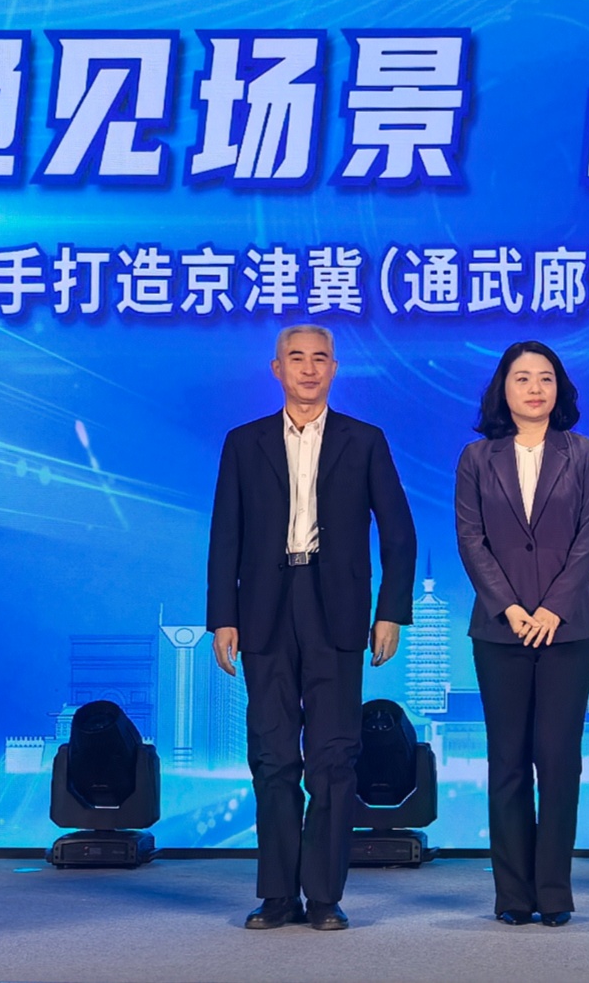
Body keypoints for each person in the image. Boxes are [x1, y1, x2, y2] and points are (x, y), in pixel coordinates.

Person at [207, 324, 417, 932]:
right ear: (276, 369)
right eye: (295, 358)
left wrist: (390, 611)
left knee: (333, 757)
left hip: (338, 610)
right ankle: (277, 895)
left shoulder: (364, 440)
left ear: (334, 369)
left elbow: (399, 533)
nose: (307, 368)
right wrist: (223, 617)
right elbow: (225, 536)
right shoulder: (243, 443)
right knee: (272, 755)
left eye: (319, 358)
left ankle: (324, 895)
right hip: (264, 610)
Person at [454, 341, 589, 928]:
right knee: (508, 763)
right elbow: (471, 540)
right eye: (522, 378)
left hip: (570, 630)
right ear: (503, 389)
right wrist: (512, 608)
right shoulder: (476, 458)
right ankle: (513, 895)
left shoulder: (584, 454)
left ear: (559, 388)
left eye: (546, 377)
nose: (535, 388)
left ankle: (555, 893)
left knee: (559, 762)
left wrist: (551, 610)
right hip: (501, 630)